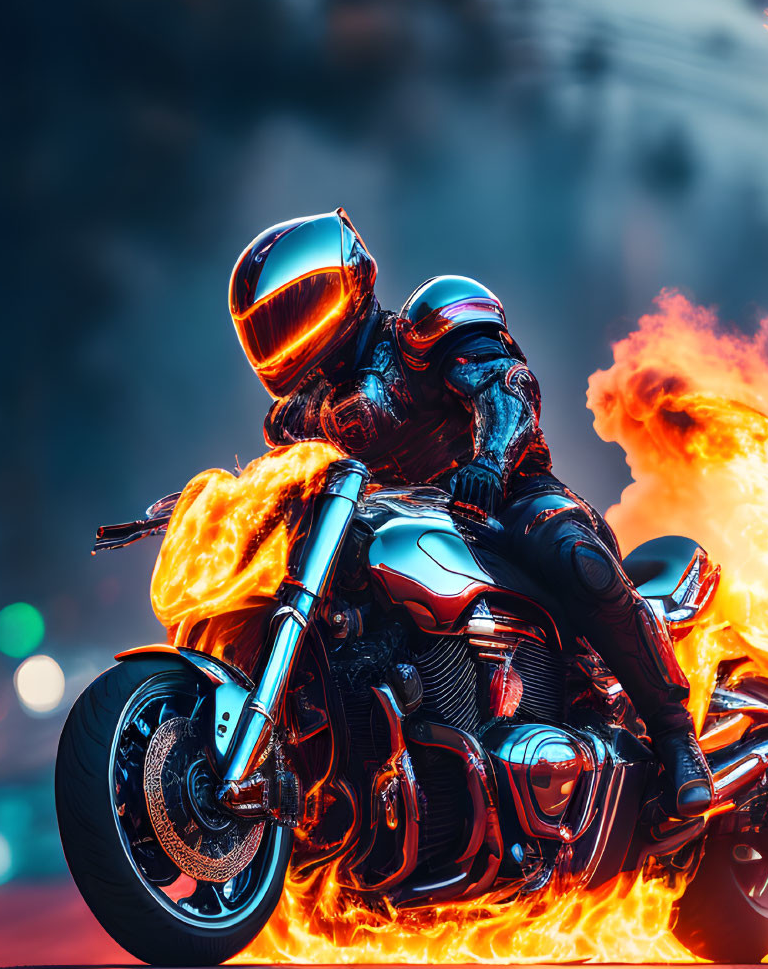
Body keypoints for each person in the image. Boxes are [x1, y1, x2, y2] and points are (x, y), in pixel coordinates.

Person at [229, 208, 714, 817]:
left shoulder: (420, 334)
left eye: (292, 310)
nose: (287, 330)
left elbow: (505, 387)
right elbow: (289, 487)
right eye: (271, 322)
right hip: (396, 534)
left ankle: (676, 739)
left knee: (573, 557)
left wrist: (489, 461)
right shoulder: (299, 417)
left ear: (341, 285)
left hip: (505, 499)